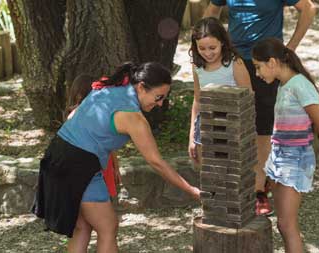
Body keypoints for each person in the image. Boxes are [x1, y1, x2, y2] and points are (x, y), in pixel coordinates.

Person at [32, 62, 201, 253]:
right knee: (108, 227)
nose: (161, 103)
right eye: (159, 97)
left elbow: (73, 117)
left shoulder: (109, 89)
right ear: (141, 87)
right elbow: (156, 162)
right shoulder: (133, 117)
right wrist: (192, 190)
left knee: (83, 227)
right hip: (79, 165)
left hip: (56, 152)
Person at [204, 0, 317, 216]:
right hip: (233, 61)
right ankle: (231, 186)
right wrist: (207, 48)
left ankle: (258, 191)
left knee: (263, 128)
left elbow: (309, 9)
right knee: (228, 124)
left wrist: (289, 49)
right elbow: (211, 13)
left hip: (265, 65)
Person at [252, 38, 319, 252]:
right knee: (282, 223)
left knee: (287, 225)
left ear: (272, 62)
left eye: (258, 67)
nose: (257, 74)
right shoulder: (284, 85)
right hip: (280, 158)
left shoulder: (300, 85)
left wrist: (300, 142)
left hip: (294, 160)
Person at [64, 74, 122, 251]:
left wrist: (115, 167)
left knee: (82, 228)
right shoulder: (91, 115)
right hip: (92, 175)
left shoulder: (73, 115)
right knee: (107, 228)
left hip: (75, 174)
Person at [188, 17, 251, 166]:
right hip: (205, 125)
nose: (207, 53)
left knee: (229, 168)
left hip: (232, 125)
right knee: (207, 168)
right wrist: (192, 135)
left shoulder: (234, 63)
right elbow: (197, 100)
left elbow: (248, 97)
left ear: (222, 42)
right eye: (201, 48)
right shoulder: (197, 66)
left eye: (212, 48)